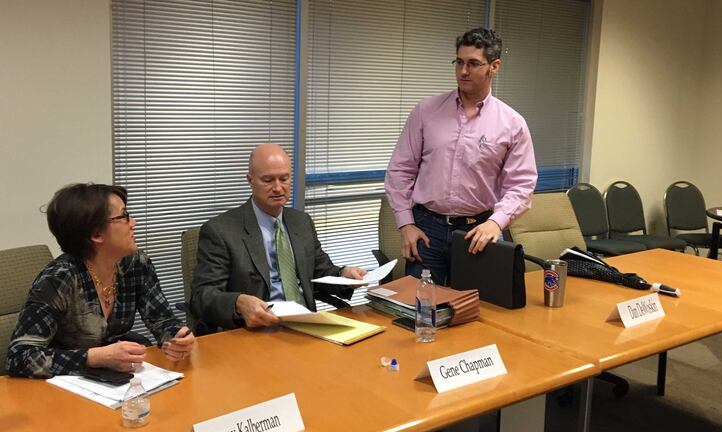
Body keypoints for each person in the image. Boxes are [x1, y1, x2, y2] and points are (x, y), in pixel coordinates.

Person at [384, 27, 537, 285]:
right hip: (426, 229)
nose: (463, 71)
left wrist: (496, 223)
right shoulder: (426, 111)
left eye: (473, 64)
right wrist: (405, 224)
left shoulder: (512, 123)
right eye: (459, 62)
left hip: (477, 231)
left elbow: (521, 186)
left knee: (477, 313)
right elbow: (400, 170)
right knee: (421, 311)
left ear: (494, 66)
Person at [6, 184, 195, 378]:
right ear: (96, 234)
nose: (134, 223)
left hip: (120, 378)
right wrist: (94, 357)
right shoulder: (59, 279)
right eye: (124, 217)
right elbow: (19, 357)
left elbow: (162, 320)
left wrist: (176, 338)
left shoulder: (136, 264)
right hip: (64, 384)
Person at [190, 143, 366, 334]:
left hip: (308, 325)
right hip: (256, 330)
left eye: (284, 179)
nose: (278, 188)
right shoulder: (220, 231)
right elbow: (202, 296)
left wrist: (343, 274)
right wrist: (239, 303)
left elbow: (319, 270)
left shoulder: (301, 222)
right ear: (250, 180)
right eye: (268, 180)